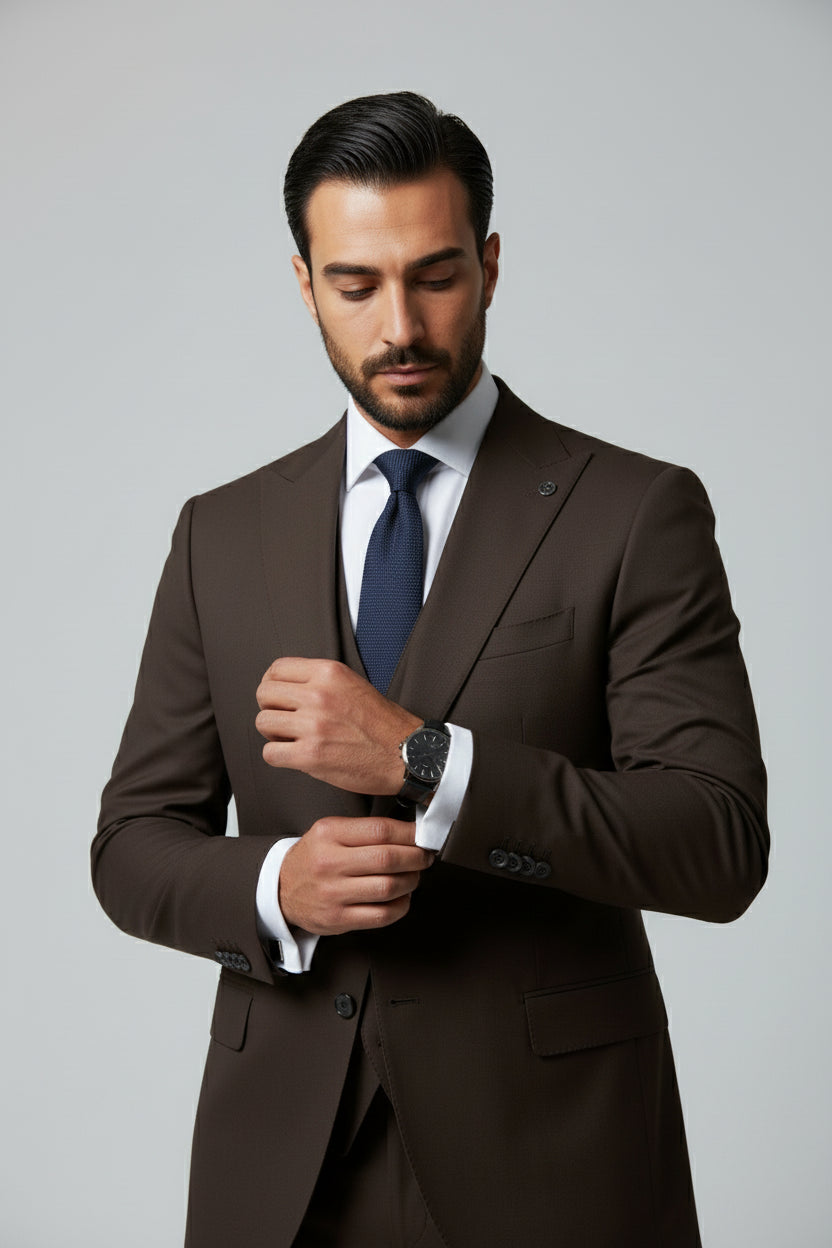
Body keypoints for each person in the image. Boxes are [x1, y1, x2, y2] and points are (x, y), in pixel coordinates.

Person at [93, 91, 769, 1248]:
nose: (399, 324)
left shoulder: (634, 512)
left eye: (436, 275)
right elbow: (132, 842)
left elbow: (715, 842)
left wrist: (427, 761)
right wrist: (276, 890)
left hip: (555, 1161)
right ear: (304, 284)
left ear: (492, 266)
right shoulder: (221, 532)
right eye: (356, 285)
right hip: (284, 1169)